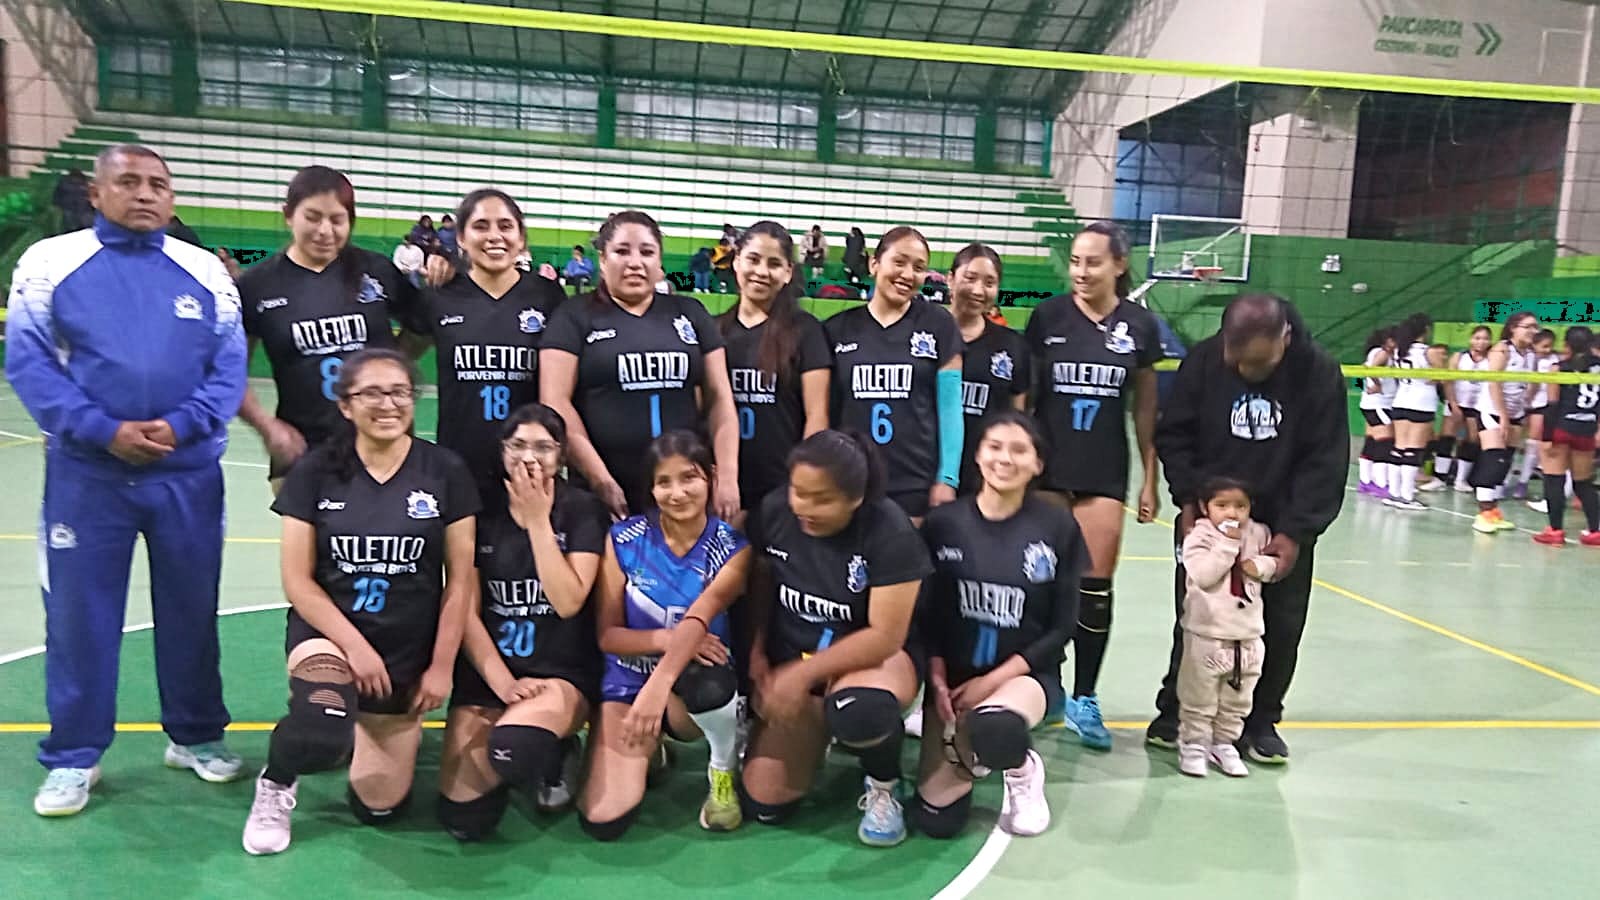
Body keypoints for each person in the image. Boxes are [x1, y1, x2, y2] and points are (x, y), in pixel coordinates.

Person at [8, 143, 247, 817]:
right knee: (81, 618)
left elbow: (229, 368)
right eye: (130, 182)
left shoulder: (204, 272)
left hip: (188, 477)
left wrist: (181, 425)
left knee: (191, 612)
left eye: (158, 185)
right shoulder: (50, 264)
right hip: (89, 479)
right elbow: (29, 365)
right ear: (97, 192)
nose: (145, 194)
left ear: (173, 198)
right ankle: (74, 757)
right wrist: (101, 429)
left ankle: (196, 735)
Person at [242, 349, 479, 855]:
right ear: (346, 405)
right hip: (329, 635)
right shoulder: (316, 470)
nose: (387, 404)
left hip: (406, 649)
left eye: (399, 392)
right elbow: (298, 582)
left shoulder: (444, 470)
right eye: (371, 393)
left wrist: (441, 667)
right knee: (322, 727)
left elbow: (460, 581)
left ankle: (363, 728)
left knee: (378, 808)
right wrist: (355, 650)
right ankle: (277, 781)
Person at [1146, 294, 1349, 764]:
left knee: (1278, 625)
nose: (1244, 371)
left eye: (1257, 364)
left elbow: (1326, 459)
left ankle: (1260, 721)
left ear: (1285, 339)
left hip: (1280, 524)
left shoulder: (1317, 374)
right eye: (1235, 360)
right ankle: (1177, 710)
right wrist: (1189, 501)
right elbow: (1175, 435)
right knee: (1198, 618)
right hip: (1212, 521)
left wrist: (1296, 532)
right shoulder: (1202, 363)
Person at [741, 431, 933, 847]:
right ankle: (819, 730)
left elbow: (885, 636)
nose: (804, 508)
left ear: (856, 498)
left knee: (859, 710)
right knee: (765, 804)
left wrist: (798, 676)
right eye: (798, 492)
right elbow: (760, 582)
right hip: (798, 654)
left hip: (870, 661)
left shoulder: (890, 532)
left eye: (822, 499)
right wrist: (757, 655)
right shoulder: (775, 512)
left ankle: (884, 784)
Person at [436, 404, 610, 840]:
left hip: (559, 673)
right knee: (464, 821)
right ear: (502, 451)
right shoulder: (478, 509)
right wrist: (501, 683)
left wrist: (537, 522)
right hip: (493, 675)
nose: (529, 457)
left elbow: (569, 601)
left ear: (562, 456)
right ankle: (516, 748)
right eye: (517, 446)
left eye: (543, 448)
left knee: (514, 751)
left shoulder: (583, 510)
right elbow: (465, 610)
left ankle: (557, 749)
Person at [1023, 221, 1161, 749]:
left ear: (1119, 265)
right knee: (1040, 583)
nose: (1081, 271)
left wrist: (1151, 477)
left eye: (1093, 262)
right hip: (1049, 472)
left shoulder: (1140, 327)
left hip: (1104, 472)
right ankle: (1043, 679)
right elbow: (1027, 399)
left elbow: (1145, 407)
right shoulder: (1048, 318)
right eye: (1075, 261)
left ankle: (1086, 696)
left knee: (1094, 589)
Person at [913, 412, 1084, 839]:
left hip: (1023, 677)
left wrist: (991, 683)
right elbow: (927, 616)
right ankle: (974, 743)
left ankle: (1022, 771)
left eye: (1019, 450)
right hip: (952, 682)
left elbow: (1063, 627)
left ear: (1037, 464)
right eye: (994, 447)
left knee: (995, 725)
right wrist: (935, 682)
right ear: (977, 455)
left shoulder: (1057, 527)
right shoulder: (943, 523)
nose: (1004, 458)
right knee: (937, 822)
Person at [579, 431, 751, 839]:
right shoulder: (623, 540)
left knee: (709, 687)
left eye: (688, 478)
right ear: (651, 488)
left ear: (710, 477)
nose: (677, 493)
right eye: (663, 482)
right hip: (627, 679)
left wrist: (660, 685)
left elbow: (703, 615)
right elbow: (608, 636)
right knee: (605, 820)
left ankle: (723, 772)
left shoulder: (732, 548)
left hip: (687, 687)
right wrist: (665, 641)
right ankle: (651, 754)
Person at [540, 210, 741, 519]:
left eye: (647, 252)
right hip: (604, 495)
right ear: (603, 259)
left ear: (659, 263)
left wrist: (727, 475)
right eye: (622, 251)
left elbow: (720, 399)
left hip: (683, 492)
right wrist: (600, 480)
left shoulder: (691, 312)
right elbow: (555, 402)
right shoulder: (573, 316)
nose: (635, 262)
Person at [236, 166, 421, 487]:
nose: (325, 231)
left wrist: (392, 363)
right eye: (313, 217)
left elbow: (422, 325)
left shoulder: (376, 270)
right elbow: (229, 368)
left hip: (386, 442)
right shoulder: (257, 285)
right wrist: (267, 427)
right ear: (288, 214)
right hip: (304, 449)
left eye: (337, 220)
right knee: (306, 538)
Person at [406, 189, 565, 504]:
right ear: (461, 238)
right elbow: (398, 361)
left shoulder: (548, 297)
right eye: (481, 226)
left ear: (522, 239)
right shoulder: (439, 296)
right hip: (459, 468)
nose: (495, 236)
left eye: (505, 226)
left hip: (530, 469)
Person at [824, 226, 962, 523]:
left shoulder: (938, 324)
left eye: (919, 267)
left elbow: (950, 408)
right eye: (899, 262)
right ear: (874, 263)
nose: (908, 274)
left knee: (905, 569)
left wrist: (947, 478)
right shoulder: (836, 329)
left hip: (915, 483)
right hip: (851, 480)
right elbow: (827, 413)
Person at [717, 221, 831, 522]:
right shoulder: (715, 330)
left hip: (782, 487)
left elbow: (817, 415)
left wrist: (803, 482)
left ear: (789, 272)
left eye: (774, 263)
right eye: (753, 259)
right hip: (724, 488)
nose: (762, 272)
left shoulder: (806, 331)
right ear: (736, 260)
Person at [1175, 477, 1278, 778]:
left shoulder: (1258, 532)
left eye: (1240, 506)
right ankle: (1193, 745)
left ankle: (1224, 743)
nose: (1232, 513)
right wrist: (1228, 544)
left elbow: (1273, 562)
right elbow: (1204, 575)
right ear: (1205, 507)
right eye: (1222, 505)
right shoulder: (1199, 535)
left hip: (1247, 633)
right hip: (1208, 632)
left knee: (1239, 697)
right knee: (1199, 695)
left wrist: (1261, 567)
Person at [948, 243, 1028, 493]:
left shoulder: (1012, 345)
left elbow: (1018, 417)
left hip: (985, 479)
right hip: (925, 473)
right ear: (950, 279)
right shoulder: (924, 335)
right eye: (969, 278)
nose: (978, 291)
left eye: (990, 283)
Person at [1468, 312, 1539, 534]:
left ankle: (1494, 511)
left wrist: (1525, 403)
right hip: (1493, 411)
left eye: (1535, 327)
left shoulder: (1529, 354)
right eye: (1528, 327)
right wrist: (1503, 415)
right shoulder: (1502, 349)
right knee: (1493, 459)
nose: (1532, 331)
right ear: (1513, 328)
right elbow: (1493, 384)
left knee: (1506, 461)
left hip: (1516, 411)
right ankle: (1483, 514)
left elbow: (1530, 381)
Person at [1533, 326, 1600, 546]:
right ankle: (1595, 531)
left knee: (1554, 479)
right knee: (1583, 483)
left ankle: (1555, 530)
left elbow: (1552, 405)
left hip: (1562, 428)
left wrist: (1547, 437)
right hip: (1587, 428)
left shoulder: (1559, 368)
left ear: (1567, 346)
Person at [1386, 315, 1446, 511]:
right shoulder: (1429, 351)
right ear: (1425, 330)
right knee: (1413, 449)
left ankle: (1394, 493)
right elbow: (1440, 377)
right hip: (1421, 403)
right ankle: (1407, 496)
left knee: (1399, 447)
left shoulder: (1399, 351)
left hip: (1401, 399)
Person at [1519, 328, 1561, 512]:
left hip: (1547, 405)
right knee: (1528, 441)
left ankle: (1529, 480)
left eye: (1550, 346)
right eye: (1543, 346)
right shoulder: (1529, 359)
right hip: (1530, 404)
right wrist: (1526, 401)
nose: (1547, 349)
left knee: (1540, 442)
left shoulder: (1555, 360)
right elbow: (1530, 384)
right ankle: (1520, 481)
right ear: (1534, 345)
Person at [1450, 326, 1494, 492]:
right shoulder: (1459, 357)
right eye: (1477, 338)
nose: (1481, 342)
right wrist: (1453, 404)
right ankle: (1441, 475)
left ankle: (1462, 479)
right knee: (1450, 437)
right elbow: (1448, 381)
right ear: (1470, 339)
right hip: (1458, 402)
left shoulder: (1491, 359)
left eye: (1485, 338)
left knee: (1473, 440)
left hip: (1478, 406)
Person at [1356, 327, 1397, 498]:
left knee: (1372, 441)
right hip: (1379, 404)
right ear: (1387, 340)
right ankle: (1381, 483)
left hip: (1371, 403)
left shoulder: (1374, 351)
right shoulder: (1383, 354)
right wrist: (1377, 385)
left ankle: (1365, 481)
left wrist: (1365, 388)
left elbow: (1363, 369)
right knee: (1385, 442)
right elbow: (1370, 369)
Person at [51, 167, 94, 233]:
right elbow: (57, 197)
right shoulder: (65, 184)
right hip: (71, 209)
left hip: (82, 210)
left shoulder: (86, 185)